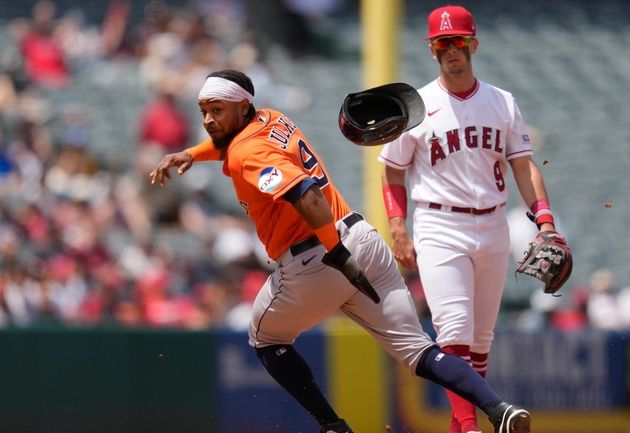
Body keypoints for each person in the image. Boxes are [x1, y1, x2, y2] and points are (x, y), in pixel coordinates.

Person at [149, 69, 530, 433]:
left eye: (217, 110)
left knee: (264, 339)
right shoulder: (270, 118)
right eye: (204, 112)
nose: (208, 120)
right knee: (420, 352)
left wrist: (337, 254)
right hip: (363, 237)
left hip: (320, 257)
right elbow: (228, 142)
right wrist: (191, 154)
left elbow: (308, 197)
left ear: (242, 108)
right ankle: (499, 409)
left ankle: (333, 426)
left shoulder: (246, 153)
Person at [378, 6, 564, 433]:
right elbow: (391, 170)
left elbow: (523, 165)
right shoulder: (417, 105)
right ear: (432, 50)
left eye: (458, 42)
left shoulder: (502, 102)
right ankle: (472, 428)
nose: (451, 51)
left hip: (493, 223)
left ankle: (460, 426)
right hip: (439, 225)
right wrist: (398, 227)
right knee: (455, 330)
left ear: (473, 45)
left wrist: (545, 222)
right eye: (442, 44)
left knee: (480, 342)